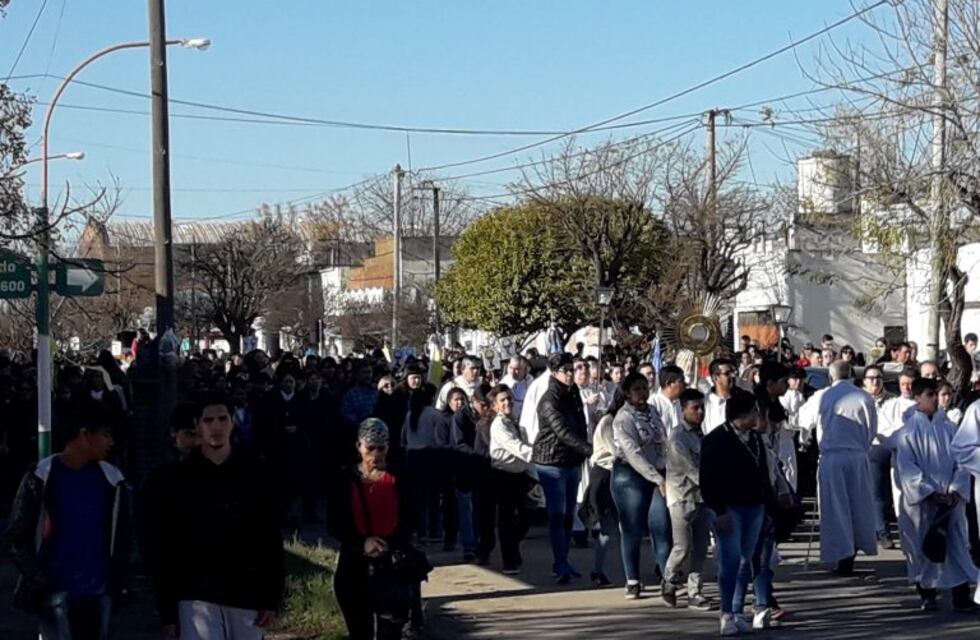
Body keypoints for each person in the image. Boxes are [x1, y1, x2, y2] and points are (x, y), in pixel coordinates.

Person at [156, 392, 284, 640]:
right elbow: (167, 546)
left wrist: (271, 597)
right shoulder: (178, 479)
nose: (216, 426)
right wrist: (167, 612)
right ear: (198, 425)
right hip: (196, 595)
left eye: (222, 419)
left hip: (246, 592)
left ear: (233, 422)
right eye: (208, 420)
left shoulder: (254, 471)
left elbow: (269, 535)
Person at [3, 398, 129, 640]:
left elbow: (121, 540)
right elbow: (16, 536)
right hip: (56, 593)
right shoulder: (41, 477)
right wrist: (39, 580)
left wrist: (117, 583)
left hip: (99, 595)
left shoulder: (113, 480)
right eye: (105, 434)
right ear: (84, 434)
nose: (110, 442)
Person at [895, 378, 978, 612]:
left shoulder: (951, 429)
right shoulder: (907, 433)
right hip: (923, 503)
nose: (936, 398)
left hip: (951, 500)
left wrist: (953, 490)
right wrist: (929, 492)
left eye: (939, 394)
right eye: (931, 394)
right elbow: (907, 468)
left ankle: (961, 596)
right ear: (918, 397)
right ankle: (927, 593)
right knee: (925, 546)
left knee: (957, 545)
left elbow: (962, 462)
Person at [330, 419, 416, 640]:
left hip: (391, 565)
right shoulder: (345, 479)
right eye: (370, 448)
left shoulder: (400, 478)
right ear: (359, 446)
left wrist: (392, 543)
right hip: (354, 567)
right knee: (360, 633)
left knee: (391, 634)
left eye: (381, 448)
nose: (376, 454)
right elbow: (335, 523)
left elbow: (411, 518)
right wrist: (362, 543)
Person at [701, 392, 770, 636]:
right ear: (741, 414)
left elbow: (763, 473)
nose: (757, 416)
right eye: (753, 411)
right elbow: (707, 480)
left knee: (745, 559)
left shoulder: (754, 438)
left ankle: (738, 611)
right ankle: (726, 613)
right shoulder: (716, 439)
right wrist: (718, 510)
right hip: (728, 507)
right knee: (729, 560)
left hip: (754, 506)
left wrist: (767, 504)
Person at [532, 353, 593, 584]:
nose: (569, 374)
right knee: (557, 515)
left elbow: (580, 425)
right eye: (565, 370)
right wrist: (590, 449)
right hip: (551, 461)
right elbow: (562, 432)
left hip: (571, 460)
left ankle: (565, 558)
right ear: (554, 373)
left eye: (571, 369)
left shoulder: (574, 394)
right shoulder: (550, 399)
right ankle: (559, 562)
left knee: (568, 515)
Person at [611, 371, 671, 599]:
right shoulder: (623, 418)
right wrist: (656, 477)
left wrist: (665, 470)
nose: (642, 393)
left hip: (658, 473)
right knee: (632, 528)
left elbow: (662, 440)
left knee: (661, 525)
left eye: (645, 388)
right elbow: (633, 453)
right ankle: (633, 579)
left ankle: (668, 577)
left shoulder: (653, 412)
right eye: (637, 389)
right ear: (627, 393)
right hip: (631, 475)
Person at [815, 361, 878, 575]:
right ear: (851, 374)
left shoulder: (823, 396)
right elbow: (872, 428)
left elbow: (807, 422)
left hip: (833, 457)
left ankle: (843, 554)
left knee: (836, 507)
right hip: (857, 456)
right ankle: (851, 551)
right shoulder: (864, 397)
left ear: (831, 376)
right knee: (858, 505)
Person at [663, 389, 713, 611]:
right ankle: (669, 579)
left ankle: (695, 590)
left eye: (702, 407)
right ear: (683, 409)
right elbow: (692, 471)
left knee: (701, 547)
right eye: (695, 408)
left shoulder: (701, 435)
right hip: (682, 497)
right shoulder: (677, 438)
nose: (700, 412)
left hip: (702, 499)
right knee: (682, 546)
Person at [487, 385, 535, 574]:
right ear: (495, 406)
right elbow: (516, 446)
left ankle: (513, 546)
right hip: (503, 475)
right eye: (502, 400)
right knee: (506, 518)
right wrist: (538, 454)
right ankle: (509, 560)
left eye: (509, 399)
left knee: (528, 513)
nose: (507, 403)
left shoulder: (515, 421)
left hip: (521, 474)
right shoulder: (498, 426)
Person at [580, 389, 622, 588]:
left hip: (623, 475)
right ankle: (597, 571)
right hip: (605, 475)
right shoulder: (608, 422)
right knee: (608, 528)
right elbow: (619, 451)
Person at [402, 383, 444, 542]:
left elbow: (403, 438)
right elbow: (440, 438)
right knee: (433, 497)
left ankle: (419, 531)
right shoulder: (435, 415)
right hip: (430, 456)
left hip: (413, 457)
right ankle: (433, 531)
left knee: (417, 498)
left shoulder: (410, 414)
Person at [863, 364, 898, 549]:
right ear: (864, 382)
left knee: (892, 494)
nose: (875, 381)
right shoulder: (860, 400)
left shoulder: (893, 400)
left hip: (892, 448)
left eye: (878, 378)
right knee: (877, 493)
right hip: (872, 449)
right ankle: (882, 531)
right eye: (871, 378)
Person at [341, 362, 379, 431]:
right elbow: (346, 415)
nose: (368, 375)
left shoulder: (376, 392)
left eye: (369, 372)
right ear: (357, 375)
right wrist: (362, 422)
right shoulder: (351, 395)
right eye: (364, 372)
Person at [705, 358, 739, 435]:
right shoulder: (705, 404)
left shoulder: (743, 398)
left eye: (733, 372)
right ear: (715, 378)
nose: (733, 376)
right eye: (727, 373)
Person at [650, 365, 686, 434]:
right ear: (668, 384)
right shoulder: (653, 403)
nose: (684, 384)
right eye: (680, 381)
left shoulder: (681, 402)